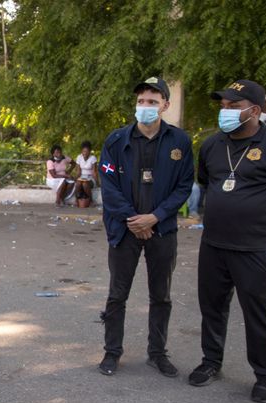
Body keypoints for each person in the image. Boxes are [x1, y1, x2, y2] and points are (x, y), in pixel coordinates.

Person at [188, 80, 266, 403]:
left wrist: (260, 213)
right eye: (223, 105)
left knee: (260, 312)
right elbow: (206, 182)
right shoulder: (212, 146)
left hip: (257, 246)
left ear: (254, 110)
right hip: (213, 244)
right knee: (212, 307)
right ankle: (211, 362)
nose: (225, 111)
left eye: (233, 106)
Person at [97, 76, 194, 377]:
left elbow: (183, 186)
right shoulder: (116, 141)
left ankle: (157, 353)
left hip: (161, 230)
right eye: (141, 101)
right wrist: (133, 219)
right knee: (117, 295)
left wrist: (155, 217)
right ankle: (112, 352)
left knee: (161, 295)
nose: (145, 107)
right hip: (124, 230)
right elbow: (109, 187)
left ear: (165, 105)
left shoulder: (179, 142)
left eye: (152, 102)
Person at [72, 141, 99, 207]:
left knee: (85, 184)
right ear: (81, 151)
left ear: (89, 151)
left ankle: (91, 201)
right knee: (78, 183)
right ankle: (76, 200)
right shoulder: (79, 157)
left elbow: (94, 172)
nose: (85, 153)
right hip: (81, 177)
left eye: (86, 151)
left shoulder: (93, 158)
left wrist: (97, 182)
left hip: (90, 177)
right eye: (83, 151)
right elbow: (78, 171)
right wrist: (75, 178)